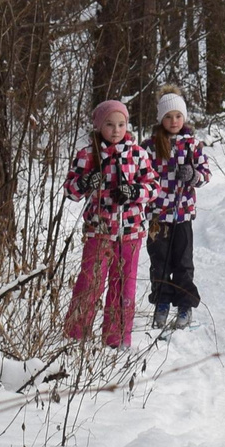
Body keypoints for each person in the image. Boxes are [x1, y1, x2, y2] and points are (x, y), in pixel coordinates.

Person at [63, 99, 158, 349]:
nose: (116, 130)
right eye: (109, 124)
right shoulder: (87, 155)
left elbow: (154, 187)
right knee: (89, 282)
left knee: (123, 284)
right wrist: (85, 182)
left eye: (121, 124)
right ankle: (76, 334)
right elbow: (71, 191)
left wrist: (133, 191)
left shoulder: (138, 154)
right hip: (99, 231)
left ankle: (116, 338)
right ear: (99, 126)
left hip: (131, 232)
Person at [146, 86, 210, 330]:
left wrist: (193, 174)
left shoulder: (193, 145)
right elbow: (142, 175)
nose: (173, 121)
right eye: (168, 116)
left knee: (183, 262)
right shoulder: (150, 146)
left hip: (182, 214)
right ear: (161, 118)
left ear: (184, 118)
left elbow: (205, 175)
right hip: (157, 216)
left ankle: (184, 305)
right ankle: (161, 303)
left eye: (178, 116)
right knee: (160, 261)